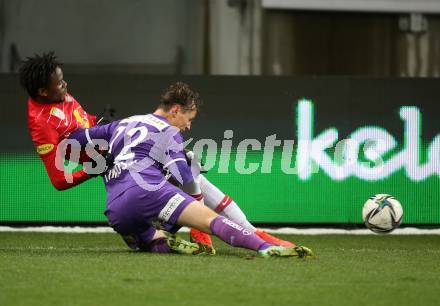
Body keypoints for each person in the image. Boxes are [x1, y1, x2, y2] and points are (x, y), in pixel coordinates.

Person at [19, 52, 295, 253]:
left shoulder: (59, 95)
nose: (66, 86)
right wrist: (93, 169)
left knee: (152, 234)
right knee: (188, 169)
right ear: (43, 91)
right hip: (108, 167)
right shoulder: (41, 124)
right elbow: (58, 180)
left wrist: (99, 125)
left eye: (64, 80)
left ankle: (148, 235)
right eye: (60, 83)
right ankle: (247, 233)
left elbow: (83, 129)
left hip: (114, 165)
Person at [67, 82, 313, 258]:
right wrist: (196, 210)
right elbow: (184, 177)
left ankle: (155, 239)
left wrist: (92, 135)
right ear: (175, 110)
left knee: (153, 240)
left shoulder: (125, 123)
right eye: (189, 118)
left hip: (115, 209)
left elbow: (76, 138)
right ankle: (265, 247)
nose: (188, 126)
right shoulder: (169, 131)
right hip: (147, 192)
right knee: (212, 219)